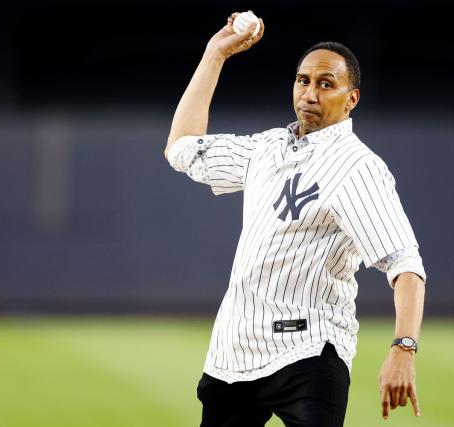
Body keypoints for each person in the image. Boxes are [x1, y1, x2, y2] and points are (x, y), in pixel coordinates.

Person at [164, 11, 427, 427]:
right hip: (236, 350)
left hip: (309, 350)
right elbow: (181, 148)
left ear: (351, 98)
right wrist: (216, 54)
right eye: (303, 80)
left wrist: (404, 347)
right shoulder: (266, 149)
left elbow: (405, 264)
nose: (310, 92)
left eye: (326, 84)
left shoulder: (357, 167)